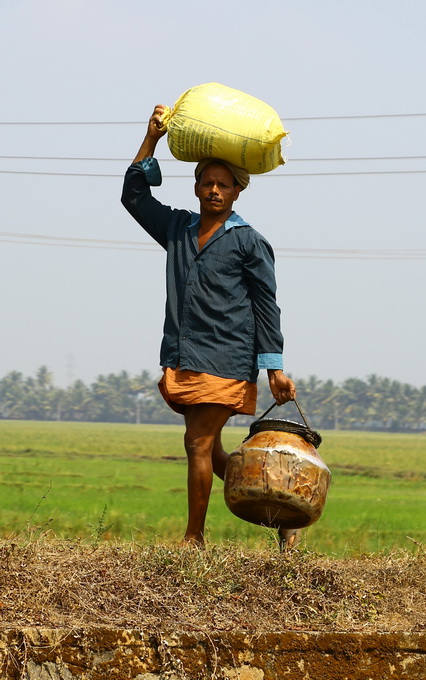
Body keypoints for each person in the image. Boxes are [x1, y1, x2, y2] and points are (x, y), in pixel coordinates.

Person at [121, 105, 297, 547]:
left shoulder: (249, 242)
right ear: (197, 187)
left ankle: (193, 538)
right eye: (208, 183)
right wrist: (151, 140)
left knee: (198, 444)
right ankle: (282, 514)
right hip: (183, 355)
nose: (215, 190)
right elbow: (134, 198)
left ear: (238, 191)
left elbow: (266, 306)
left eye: (224, 184)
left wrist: (273, 368)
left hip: (228, 357)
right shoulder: (178, 229)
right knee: (212, 450)